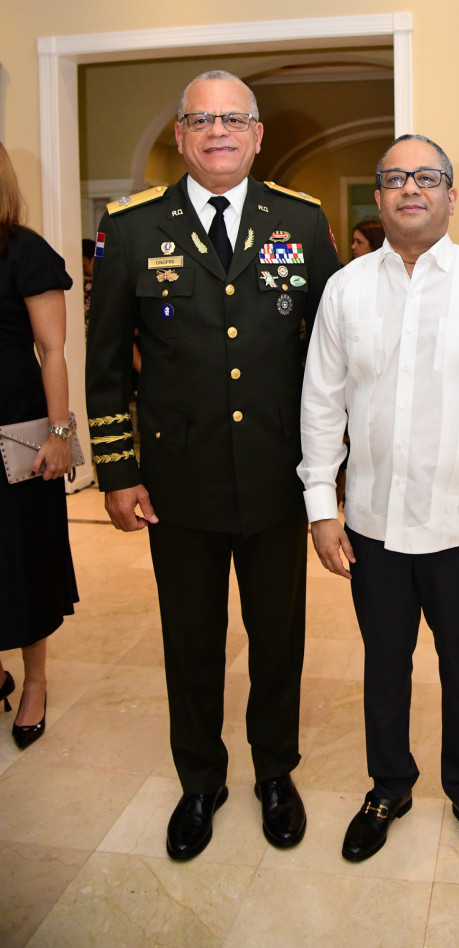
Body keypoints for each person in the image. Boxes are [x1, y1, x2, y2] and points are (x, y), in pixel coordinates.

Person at [85, 70, 340, 861]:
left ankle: (273, 773)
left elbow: (333, 356)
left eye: (234, 119)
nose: (219, 132)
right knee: (190, 640)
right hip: (178, 485)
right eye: (202, 121)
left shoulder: (300, 223)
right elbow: (104, 369)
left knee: (278, 640)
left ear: (258, 135)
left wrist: (333, 475)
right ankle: (200, 779)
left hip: (277, 478)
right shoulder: (130, 230)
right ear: (181, 136)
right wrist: (120, 471)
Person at [298, 134, 459, 873]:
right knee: (384, 664)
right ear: (378, 197)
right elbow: (322, 405)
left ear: (450, 194)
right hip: (372, 527)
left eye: (428, 176)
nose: (412, 188)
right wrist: (321, 506)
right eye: (396, 177)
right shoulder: (345, 290)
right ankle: (389, 786)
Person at [0, 142, 78, 749]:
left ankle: (34, 682)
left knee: (22, 560)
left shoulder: (23, 250)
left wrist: (59, 433)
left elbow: (53, 351)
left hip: (16, 432)